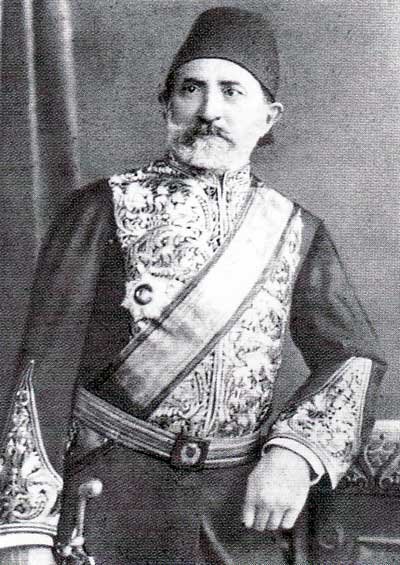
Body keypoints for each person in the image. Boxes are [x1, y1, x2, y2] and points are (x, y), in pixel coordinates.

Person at [0, 6, 386, 565]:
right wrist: (25, 530)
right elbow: (43, 372)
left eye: (231, 91)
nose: (209, 111)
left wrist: (295, 455)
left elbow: (353, 356)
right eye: (191, 89)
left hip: (235, 513)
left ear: (268, 117)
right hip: (108, 501)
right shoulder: (99, 209)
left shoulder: (297, 231)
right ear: (167, 105)